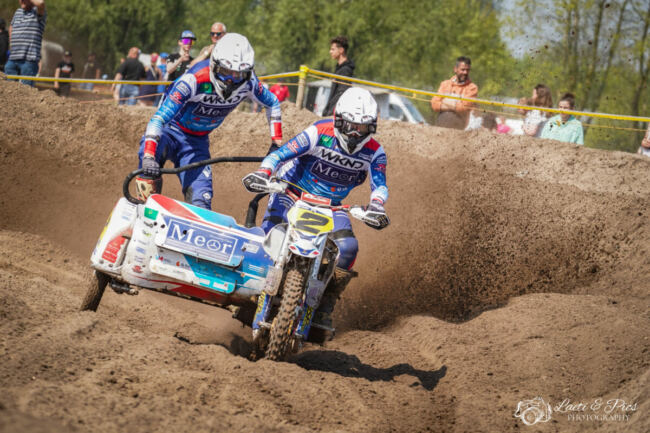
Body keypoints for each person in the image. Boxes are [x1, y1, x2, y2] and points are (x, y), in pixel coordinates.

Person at [242, 87, 389, 331]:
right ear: (338, 119)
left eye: (362, 128)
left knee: (349, 248)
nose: (355, 133)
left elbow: (380, 185)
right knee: (270, 233)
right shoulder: (319, 132)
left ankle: (325, 303)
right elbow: (280, 154)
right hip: (292, 192)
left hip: (331, 205)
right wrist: (263, 173)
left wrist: (377, 205)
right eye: (351, 125)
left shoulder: (375, 152)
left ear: (371, 127)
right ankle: (250, 285)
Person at [136, 33, 283, 209]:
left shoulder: (250, 83)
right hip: (169, 131)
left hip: (196, 143)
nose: (231, 80)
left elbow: (273, 102)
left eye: (239, 74)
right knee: (148, 172)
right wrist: (148, 156)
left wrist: (276, 144)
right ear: (214, 65)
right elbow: (158, 119)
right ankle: (139, 212)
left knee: (201, 202)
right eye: (226, 72)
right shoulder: (194, 79)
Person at [430, 56, 479, 130]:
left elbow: (463, 108)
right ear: (455, 69)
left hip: (459, 127)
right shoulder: (445, 84)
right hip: (440, 124)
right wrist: (455, 104)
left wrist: (445, 102)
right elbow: (434, 104)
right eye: (463, 70)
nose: (465, 72)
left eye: (467, 70)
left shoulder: (472, 88)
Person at [5, 0, 46, 86]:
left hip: (29, 60)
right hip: (13, 58)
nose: (21, 1)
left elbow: (41, 3)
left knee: (26, 90)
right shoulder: (18, 12)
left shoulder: (38, 12)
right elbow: (11, 27)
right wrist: (12, 42)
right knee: (8, 89)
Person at [322, 35, 355, 116]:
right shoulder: (339, 68)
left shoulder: (345, 70)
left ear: (341, 50)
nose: (330, 52)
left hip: (335, 114)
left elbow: (341, 94)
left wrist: (329, 112)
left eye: (333, 49)